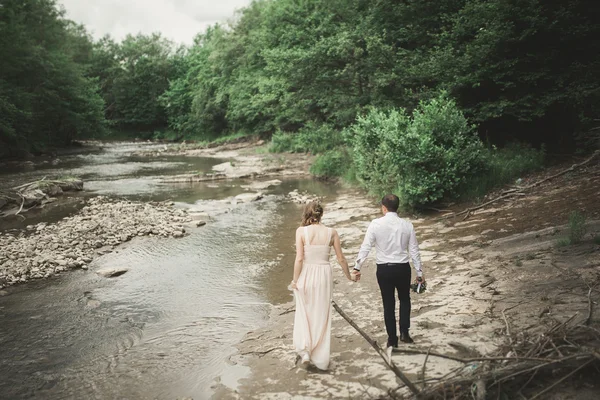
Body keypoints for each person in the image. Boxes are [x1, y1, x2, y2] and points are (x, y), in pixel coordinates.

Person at [354, 194, 425, 349]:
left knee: (388, 303)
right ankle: (405, 333)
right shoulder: (407, 225)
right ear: (397, 207)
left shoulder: (375, 224)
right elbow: (414, 251)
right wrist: (419, 273)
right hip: (402, 268)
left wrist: (357, 266)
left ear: (383, 207)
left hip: (384, 269)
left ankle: (392, 339)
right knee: (405, 299)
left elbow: (366, 246)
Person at [290, 201, 355, 370]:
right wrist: (349, 277)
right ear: (321, 214)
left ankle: (305, 351)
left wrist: (295, 281)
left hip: (307, 273)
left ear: (307, 214)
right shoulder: (331, 232)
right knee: (322, 314)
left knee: (305, 311)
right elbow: (341, 258)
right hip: (324, 275)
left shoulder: (301, 231)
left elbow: (299, 258)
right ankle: (320, 357)